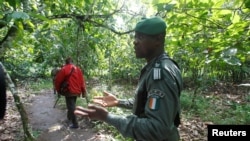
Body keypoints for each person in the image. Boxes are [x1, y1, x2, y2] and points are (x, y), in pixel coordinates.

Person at [74, 16, 183, 141]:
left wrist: (107, 117)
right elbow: (148, 103)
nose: (135, 41)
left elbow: (157, 129)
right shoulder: (162, 65)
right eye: (135, 36)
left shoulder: (161, 72)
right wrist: (118, 102)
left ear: (158, 39)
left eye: (141, 37)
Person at [55, 57, 87, 129]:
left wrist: (58, 90)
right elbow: (82, 81)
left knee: (71, 106)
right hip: (76, 91)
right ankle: (69, 119)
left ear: (66, 62)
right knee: (71, 105)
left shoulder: (64, 69)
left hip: (69, 91)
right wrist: (83, 91)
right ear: (72, 62)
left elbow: (58, 81)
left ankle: (75, 124)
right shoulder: (78, 69)